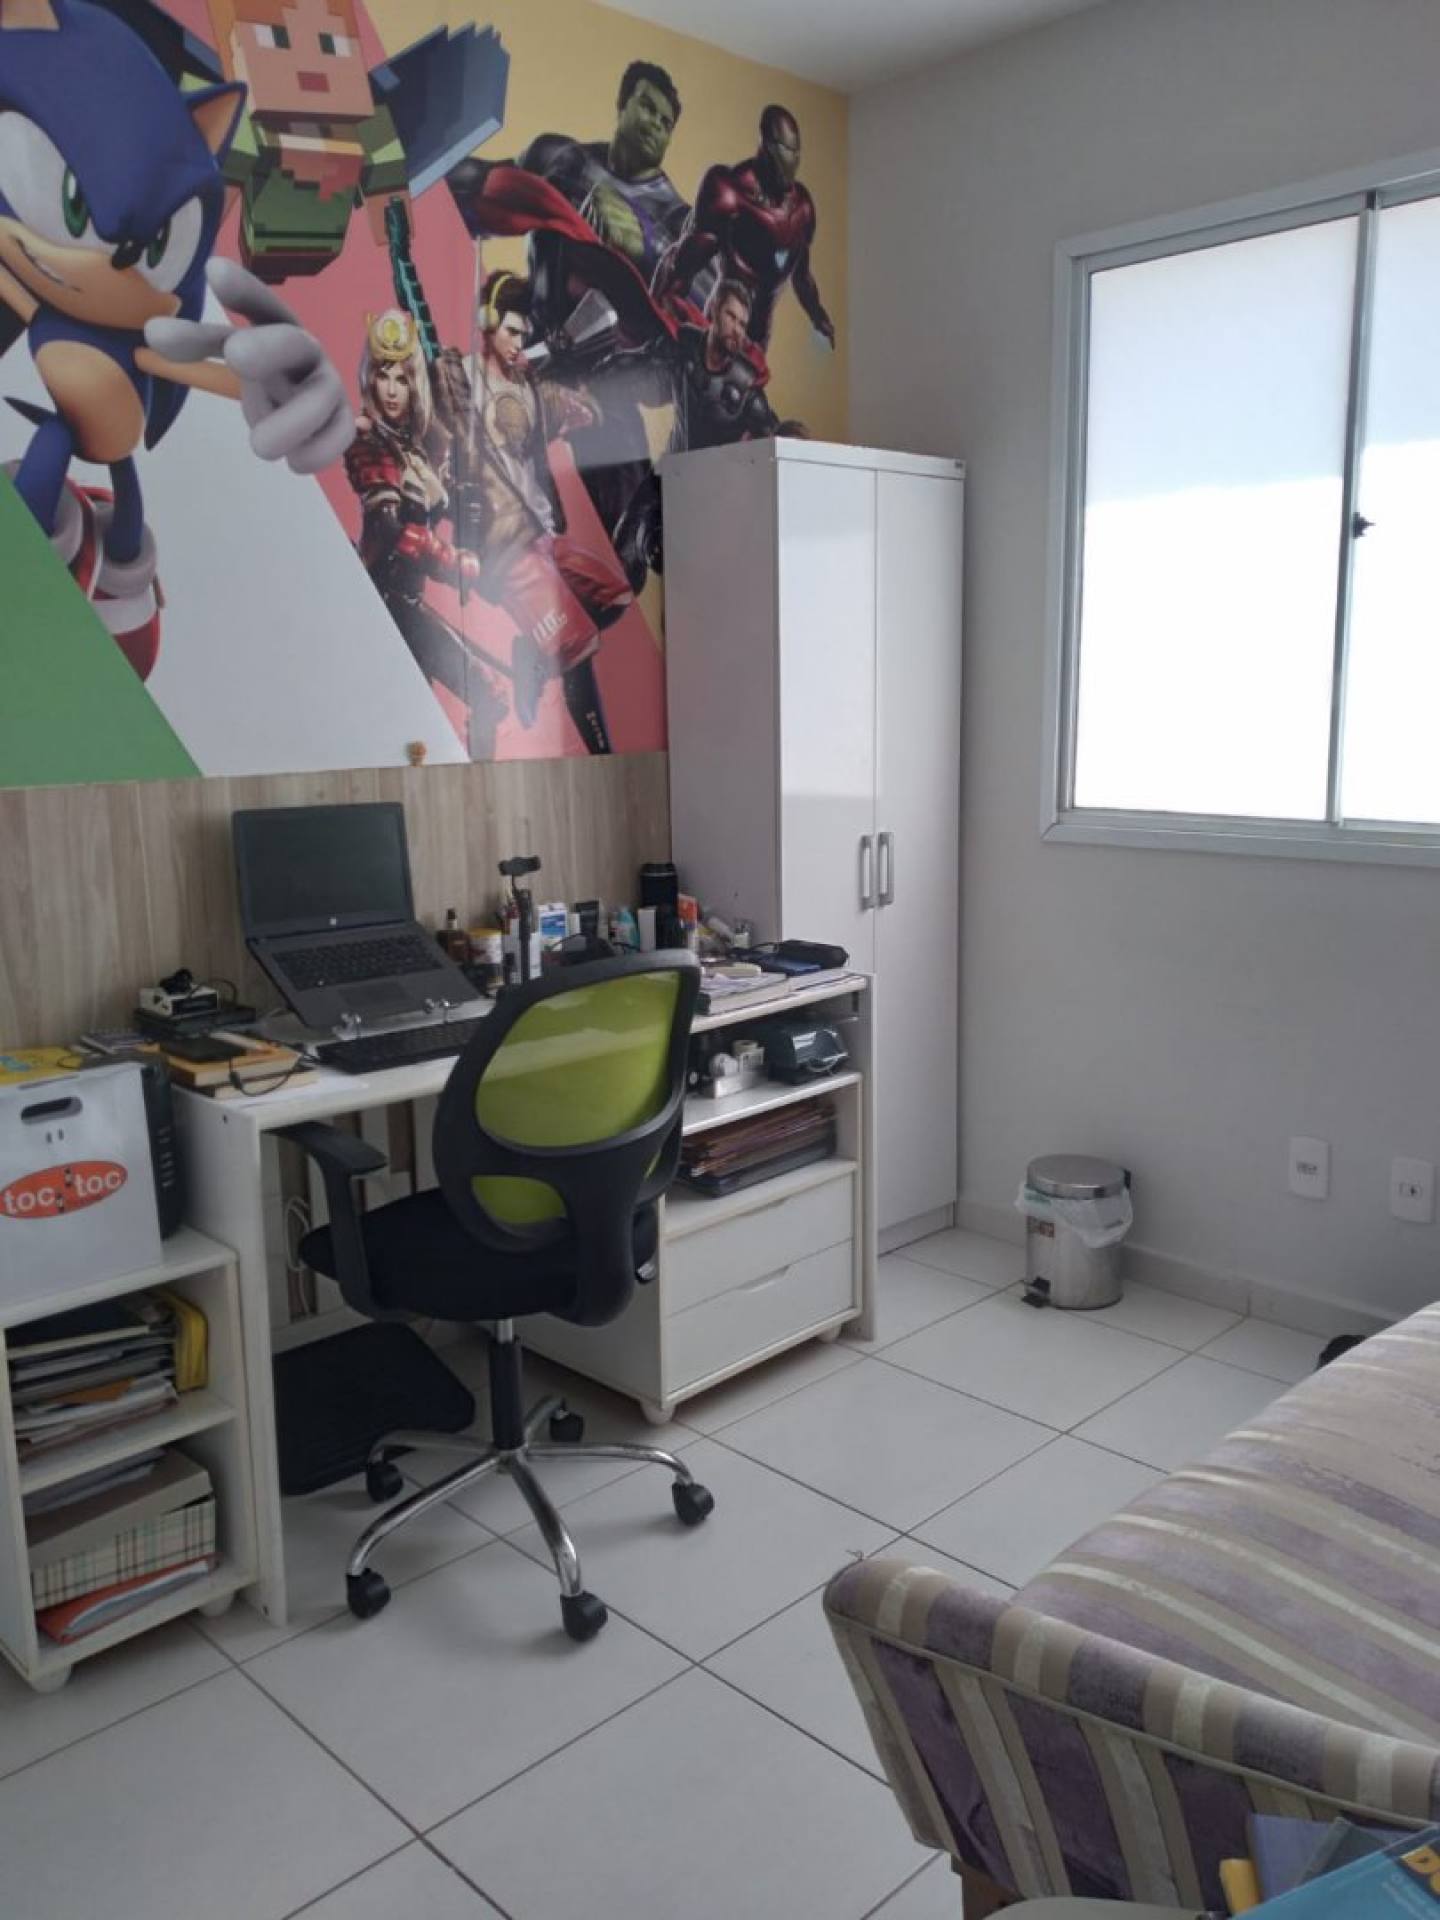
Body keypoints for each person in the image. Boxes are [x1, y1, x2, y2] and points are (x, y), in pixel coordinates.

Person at [437, 272, 634, 756]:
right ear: (487, 324)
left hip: (542, 533)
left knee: (614, 597)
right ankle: (604, 761)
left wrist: (572, 395)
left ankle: (533, 654)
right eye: (510, 331)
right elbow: (441, 410)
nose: (517, 343)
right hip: (507, 544)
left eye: (523, 334)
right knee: (577, 650)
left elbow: (581, 410)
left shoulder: (528, 387)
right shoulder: (462, 379)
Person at [344, 309, 508, 759]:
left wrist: (471, 508)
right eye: (383, 377)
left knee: (418, 726)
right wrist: (451, 561)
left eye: (401, 378)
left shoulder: (415, 450)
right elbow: (391, 530)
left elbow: (451, 505)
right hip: (389, 601)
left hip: (408, 602)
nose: (391, 390)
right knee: (483, 697)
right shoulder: (369, 442)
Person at [606, 278, 800, 585]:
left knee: (689, 572)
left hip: (709, 495)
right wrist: (598, 374)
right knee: (624, 555)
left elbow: (773, 442)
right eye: (731, 316)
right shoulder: (684, 348)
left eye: (742, 323)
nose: (737, 329)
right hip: (667, 475)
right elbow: (640, 362)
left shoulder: (746, 390)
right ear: (713, 311)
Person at [655, 104, 835, 349]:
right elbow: (685, 265)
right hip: (721, 323)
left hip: (757, 337)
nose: (791, 160)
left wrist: (818, 315)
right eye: (786, 150)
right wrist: (666, 312)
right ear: (766, 146)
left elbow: (801, 275)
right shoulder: (731, 191)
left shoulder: (802, 208)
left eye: (795, 152)